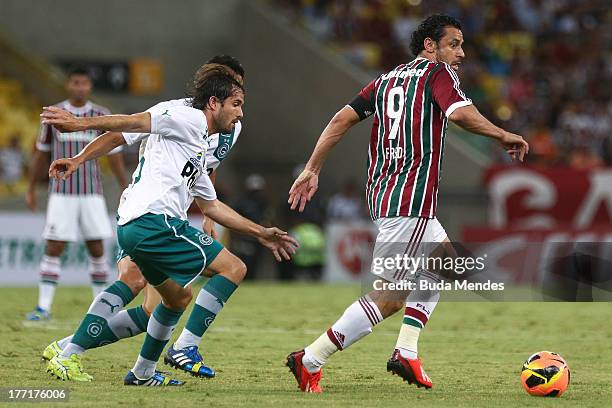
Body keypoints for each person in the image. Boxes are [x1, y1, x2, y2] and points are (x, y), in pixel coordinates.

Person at [285, 14, 529, 393]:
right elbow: (459, 113)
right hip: (410, 200)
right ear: (429, 46)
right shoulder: (438, 74)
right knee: (391, 295)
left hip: (387, 195)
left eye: (462, 46)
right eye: (454, 44)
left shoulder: (383, 81)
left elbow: (339, 120)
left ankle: (406, 351)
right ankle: (311, 358)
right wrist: (502, 134)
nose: (461, 53)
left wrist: (312, 168)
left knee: (445, 262)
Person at [42, 64, 298, 386]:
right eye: (237, 102)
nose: (241, 113)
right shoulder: (184, 116)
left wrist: (261, 232)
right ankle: (184, 348)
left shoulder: (199, 146)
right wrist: (78, 126)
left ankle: (133, 370)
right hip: (153, 220)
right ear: (214, 101)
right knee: (232, 268)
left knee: (174, 299)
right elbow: (130, 124)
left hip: (140, 222)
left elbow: (212, 204)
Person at [25, 66, 128, 321]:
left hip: (92, 192)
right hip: (61, 191)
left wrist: (125, 186)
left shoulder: (101, 115)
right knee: (54, 246)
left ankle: (100, 309)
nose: (79, 87)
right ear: (68, 85)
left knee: (96, 248)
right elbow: (41, 152)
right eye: (75, 83)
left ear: (89, 86)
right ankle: (43, 307)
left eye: (84, 83)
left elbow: (114, 155)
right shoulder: (53, 115)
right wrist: (30, 187)